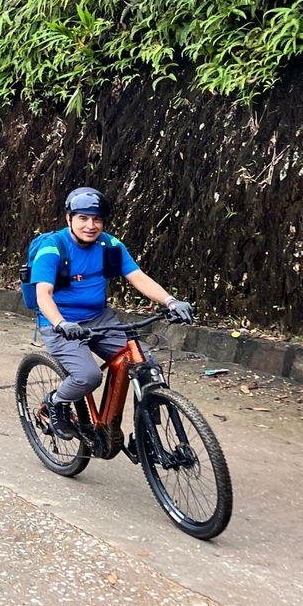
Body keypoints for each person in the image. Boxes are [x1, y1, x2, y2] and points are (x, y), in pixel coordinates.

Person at [33, 187, 194, 440]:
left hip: (99, 318)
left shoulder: (110, 245)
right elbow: (44, 294)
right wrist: (61, 322)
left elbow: (138, 277)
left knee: (146, 364)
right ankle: (55, 402)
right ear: (69, 219)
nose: (91, 225)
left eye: (97, 219)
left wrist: (171, 301)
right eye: (83, 218)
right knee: (88, 376)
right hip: (62, 322)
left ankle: (146, 433)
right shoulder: (53, 248)